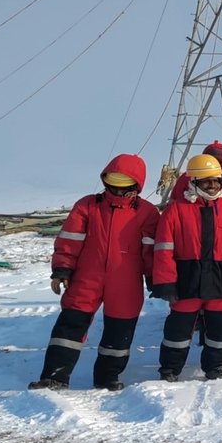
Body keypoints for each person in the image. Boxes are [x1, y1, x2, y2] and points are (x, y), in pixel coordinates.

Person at [31, 154, 159, 391]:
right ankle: (54, 377)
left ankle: (107, 378)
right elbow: (70, 240)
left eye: (124, 188)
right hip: (86, 277)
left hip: (126, 281)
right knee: (70, 326)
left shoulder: (147, 213)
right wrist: (61, 269)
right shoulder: (87, 205)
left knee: (119, 331)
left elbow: (150, 250)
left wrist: (155, 278)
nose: (118, 192)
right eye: (113, 186)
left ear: (137, 186)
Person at [151, 154, 222, 381]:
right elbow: (164, 250)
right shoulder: (176, 211)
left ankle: (215, 368)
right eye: (206, 181)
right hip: (187, 279)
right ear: (193, 182)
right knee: (178, 331)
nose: (212, 185)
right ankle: (170, 369)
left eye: (216, 180)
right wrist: (167, 283)